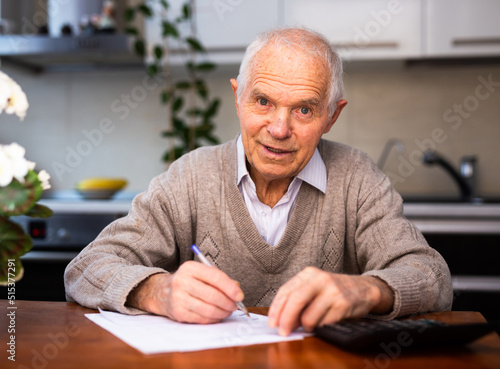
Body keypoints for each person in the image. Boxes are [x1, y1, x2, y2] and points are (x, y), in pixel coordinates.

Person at [64, 27, 452, 337]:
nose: (279, 129)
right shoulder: (190, 176)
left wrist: (368, 290)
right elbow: (86, 268)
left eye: (304, 109)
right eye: (263, 102)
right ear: (238, 99)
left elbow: (432, 278)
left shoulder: (357, 177)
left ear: (332, 117)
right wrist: (158, 291)